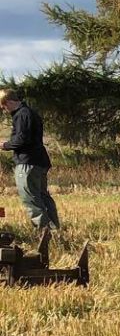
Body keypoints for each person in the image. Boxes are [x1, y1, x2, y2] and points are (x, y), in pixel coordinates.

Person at [1, 87, 60, 245]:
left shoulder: (22, 115)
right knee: (43, 197)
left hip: (27, 163)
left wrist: (4, 145)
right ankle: (55, 231)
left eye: (3, 106)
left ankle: (45, 237)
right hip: (39, 161)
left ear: (8, 102)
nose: (4, 110)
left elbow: (21, 140)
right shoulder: (30, 113)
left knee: (31, 199)